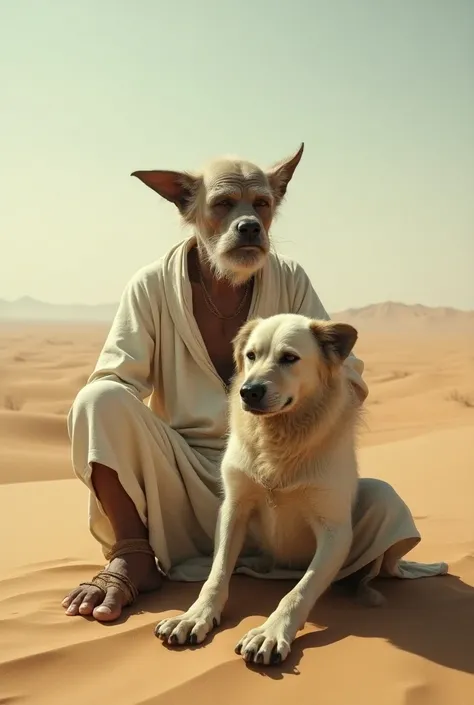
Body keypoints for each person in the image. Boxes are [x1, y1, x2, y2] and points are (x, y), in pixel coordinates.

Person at [62, 145, 447, 623]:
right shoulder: (151, 286)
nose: (247, 221)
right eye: (225, 205)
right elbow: (117, 379)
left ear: (274, 207)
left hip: (284, 490)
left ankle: (311, 568)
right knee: (98, 399)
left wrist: (302, 439)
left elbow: (343, 369)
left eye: (260, 205)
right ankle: (133, 553)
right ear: (189, 207)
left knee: (379, 506)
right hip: (183, 486)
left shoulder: (290, 280)